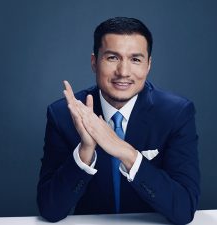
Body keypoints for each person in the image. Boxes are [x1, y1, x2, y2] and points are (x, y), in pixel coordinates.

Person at [37, 17, 200, 225]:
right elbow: (50, 210)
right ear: (94, 62)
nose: (123, 72)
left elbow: (184, 209)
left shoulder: (176, 114)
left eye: (135, 59)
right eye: (113, 58)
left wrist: (126, 153)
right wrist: (85, 150)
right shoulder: (63, 114)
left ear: (148, 65)